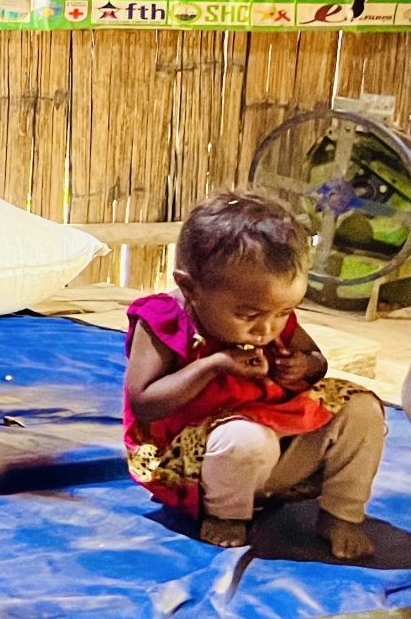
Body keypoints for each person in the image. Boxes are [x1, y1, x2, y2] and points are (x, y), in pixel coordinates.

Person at [124, 192, 383, 559]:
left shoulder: (271, 315)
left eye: (283, 312)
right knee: (245, 438)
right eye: (249, 316)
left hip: (276, 459)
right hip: (197, 467)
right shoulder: (164, 320)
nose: (268, 329)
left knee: (362, 410)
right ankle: (227, 515)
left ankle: (341, 513)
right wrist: (213, 366)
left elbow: (317, 361)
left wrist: (305, 365)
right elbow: (144, 403)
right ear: (190, 288)